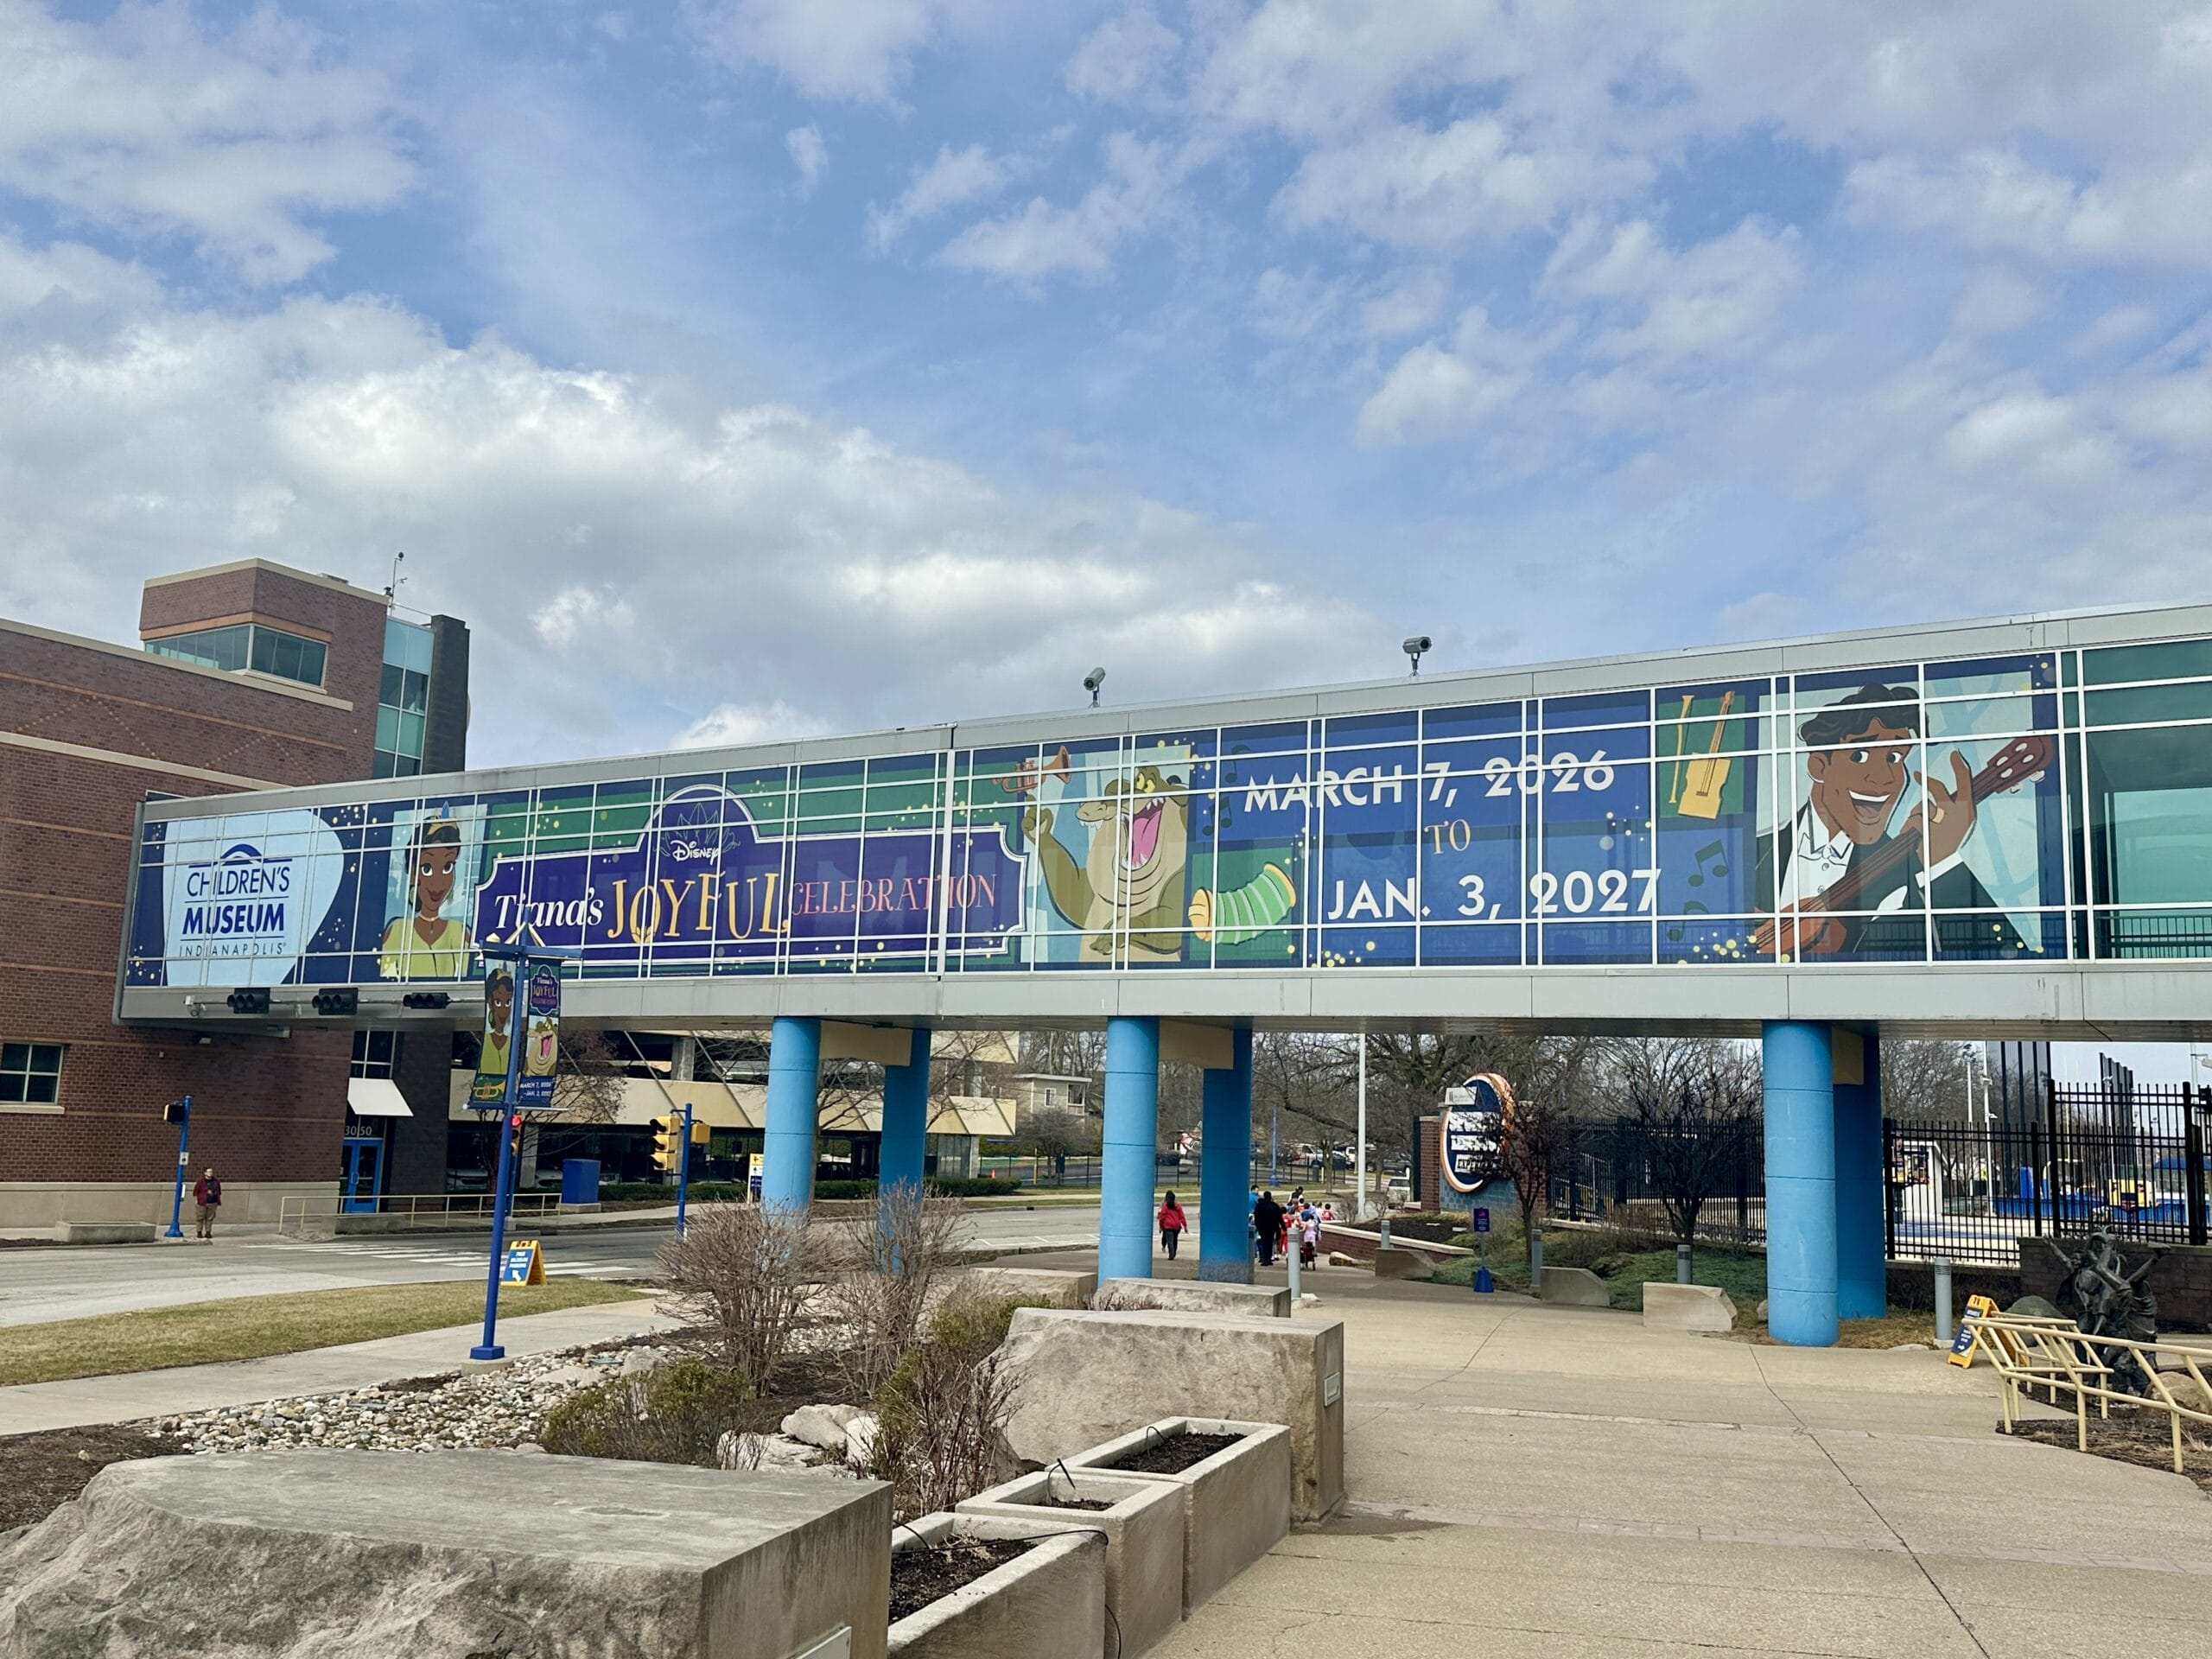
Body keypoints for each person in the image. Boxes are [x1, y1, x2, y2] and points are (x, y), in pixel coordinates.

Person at [379, 816, 472, 979]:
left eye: (447, 867)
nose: (438, 883)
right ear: (413, 872)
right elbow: (384, 983)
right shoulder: (397, 931)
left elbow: (468, 982)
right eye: (427, 868)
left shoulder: (459, 932)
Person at [1251, 1190, 1283, 1267]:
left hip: (1263, 1227)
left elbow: (1257, 1217)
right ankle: (1268, 1259)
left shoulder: (1260, 1206)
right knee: (1270, 1242)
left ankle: (1265, 1259)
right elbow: (1279, 1217)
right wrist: (1282, 1227)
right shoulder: (1274, 1205)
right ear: (1270, 1196)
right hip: (1272, 1227)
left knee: (1264, 1242)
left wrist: (1258, 1227)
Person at [192, 1166, 222, 1240]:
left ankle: (208, 1232)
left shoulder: (216, 1182)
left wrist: (217, 1198)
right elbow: (196, 1191)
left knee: (210, 1218)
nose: (210, 1173)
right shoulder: (201, 1182)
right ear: (205, 1173)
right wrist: (197, 1200)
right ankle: (199, 1232)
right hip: (202, 1202)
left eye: (211, 1172)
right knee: (200, 1218)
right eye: (208, 1172)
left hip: (213, 1202)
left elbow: (219, 1191)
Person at [1157, 1191, 1188, 1261]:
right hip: (1177, 1226)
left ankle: (1171, 1254)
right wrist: (1185, 1225)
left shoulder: (1165, 1207)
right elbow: (1182, 1216)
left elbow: (1162, 1218)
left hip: (1168, 1226)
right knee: (1175, 1240)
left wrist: (1161, 1226)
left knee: (1170, 1241)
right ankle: (1174, 1253)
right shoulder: (1178, 1206)